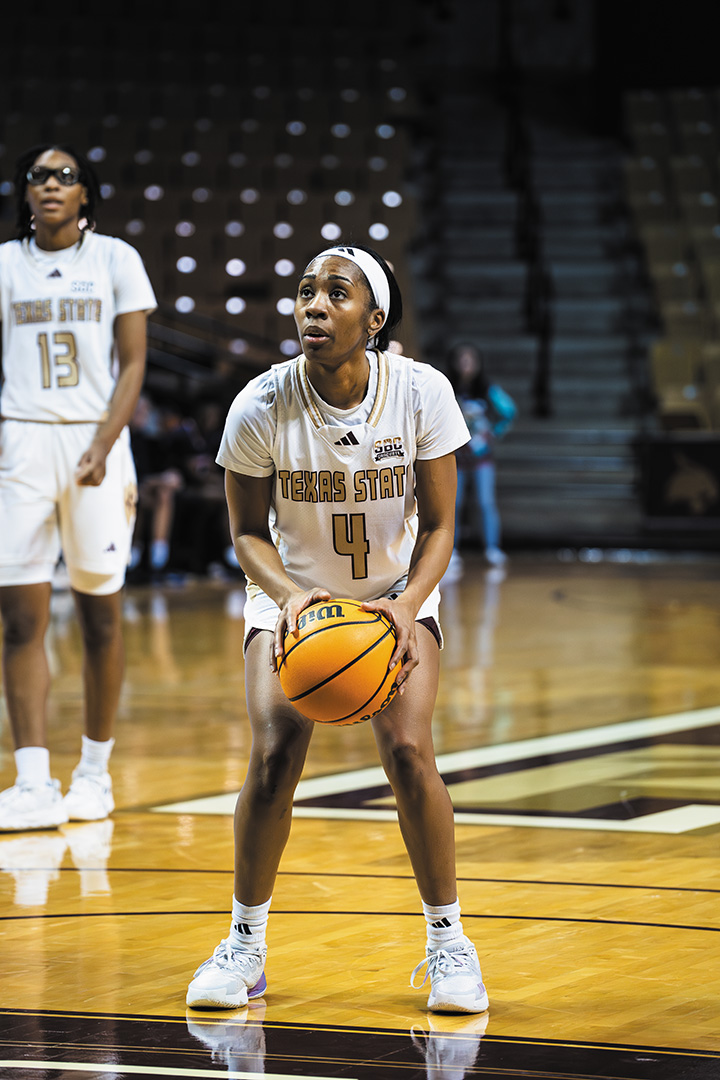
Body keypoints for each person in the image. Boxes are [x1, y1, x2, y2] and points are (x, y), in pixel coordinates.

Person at [186, 243, 489, 1015]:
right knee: (274, 752)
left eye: (336, 293)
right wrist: (292, 601)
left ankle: (450, 942)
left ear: (375, 317)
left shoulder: (422, 392)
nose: (313, 305)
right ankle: (244, 943)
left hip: (395, 594)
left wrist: (408, 603)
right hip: (293, 596)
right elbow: (248, 534)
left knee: (410, 752)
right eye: (305, 292)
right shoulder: (260, 402)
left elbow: (445, 525)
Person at [0, 144, 157, 831]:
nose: (51, 185)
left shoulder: (116, 260)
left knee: (99, 613)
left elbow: (134, 365)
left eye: (65, 176)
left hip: (96, 439)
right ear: (25, 195)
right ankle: (33, 780)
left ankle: (94, 774)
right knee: (20, 616)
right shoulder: (5, 265)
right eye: (39, 176)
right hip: (23, 438)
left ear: (86, 195)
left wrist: (101, 444)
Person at [444, 343, 516, 578]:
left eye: (470, 360)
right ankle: (450, 551)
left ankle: (492, 549)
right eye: (461, 360)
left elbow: (509, 411)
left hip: (482, 457)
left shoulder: (487, 389)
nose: (466, 365)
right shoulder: (447, 389)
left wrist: (494, 433)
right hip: (456, 456)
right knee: (454, 504)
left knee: (485, 502)